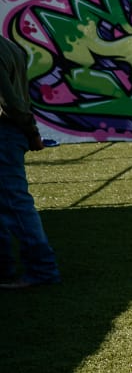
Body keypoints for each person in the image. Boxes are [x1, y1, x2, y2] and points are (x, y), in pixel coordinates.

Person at [0, 32, 60, 290]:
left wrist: (31, 130)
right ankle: (7, 268)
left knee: (15, 203)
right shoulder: (10, 46)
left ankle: (42, 268)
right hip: (11, 131)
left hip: (5, 132)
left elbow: (10, 101)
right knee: (10, 202)